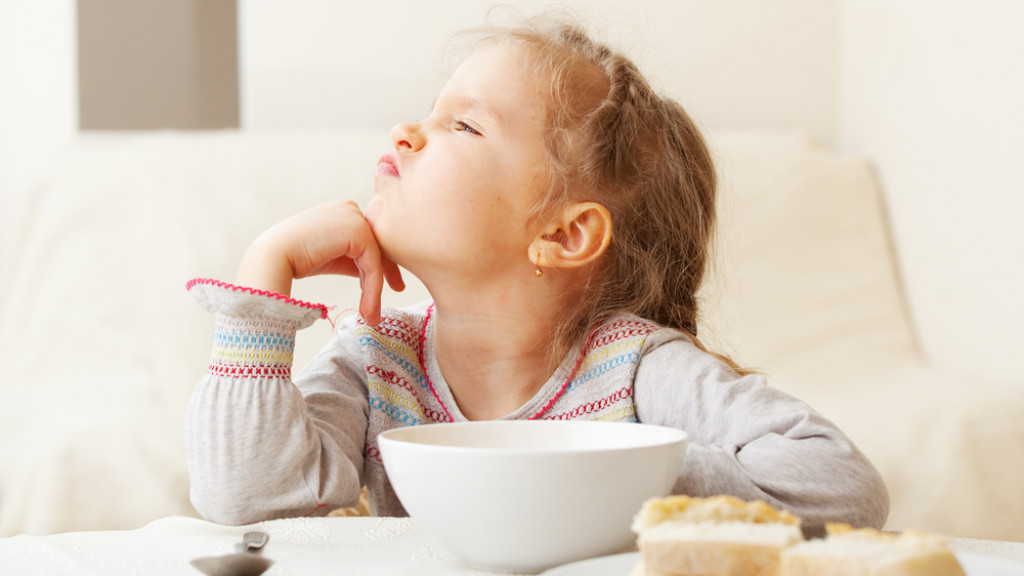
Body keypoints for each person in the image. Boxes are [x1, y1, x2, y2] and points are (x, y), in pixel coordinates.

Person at [184, 14, 889, 535]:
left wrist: (621, 473)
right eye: (430, 113)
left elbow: (842, 485)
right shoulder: (375, 361)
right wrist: (263, 276)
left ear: (563, 233)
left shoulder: (633, 368)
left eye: (463, 127)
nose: (404, 131)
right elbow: (249, 502)